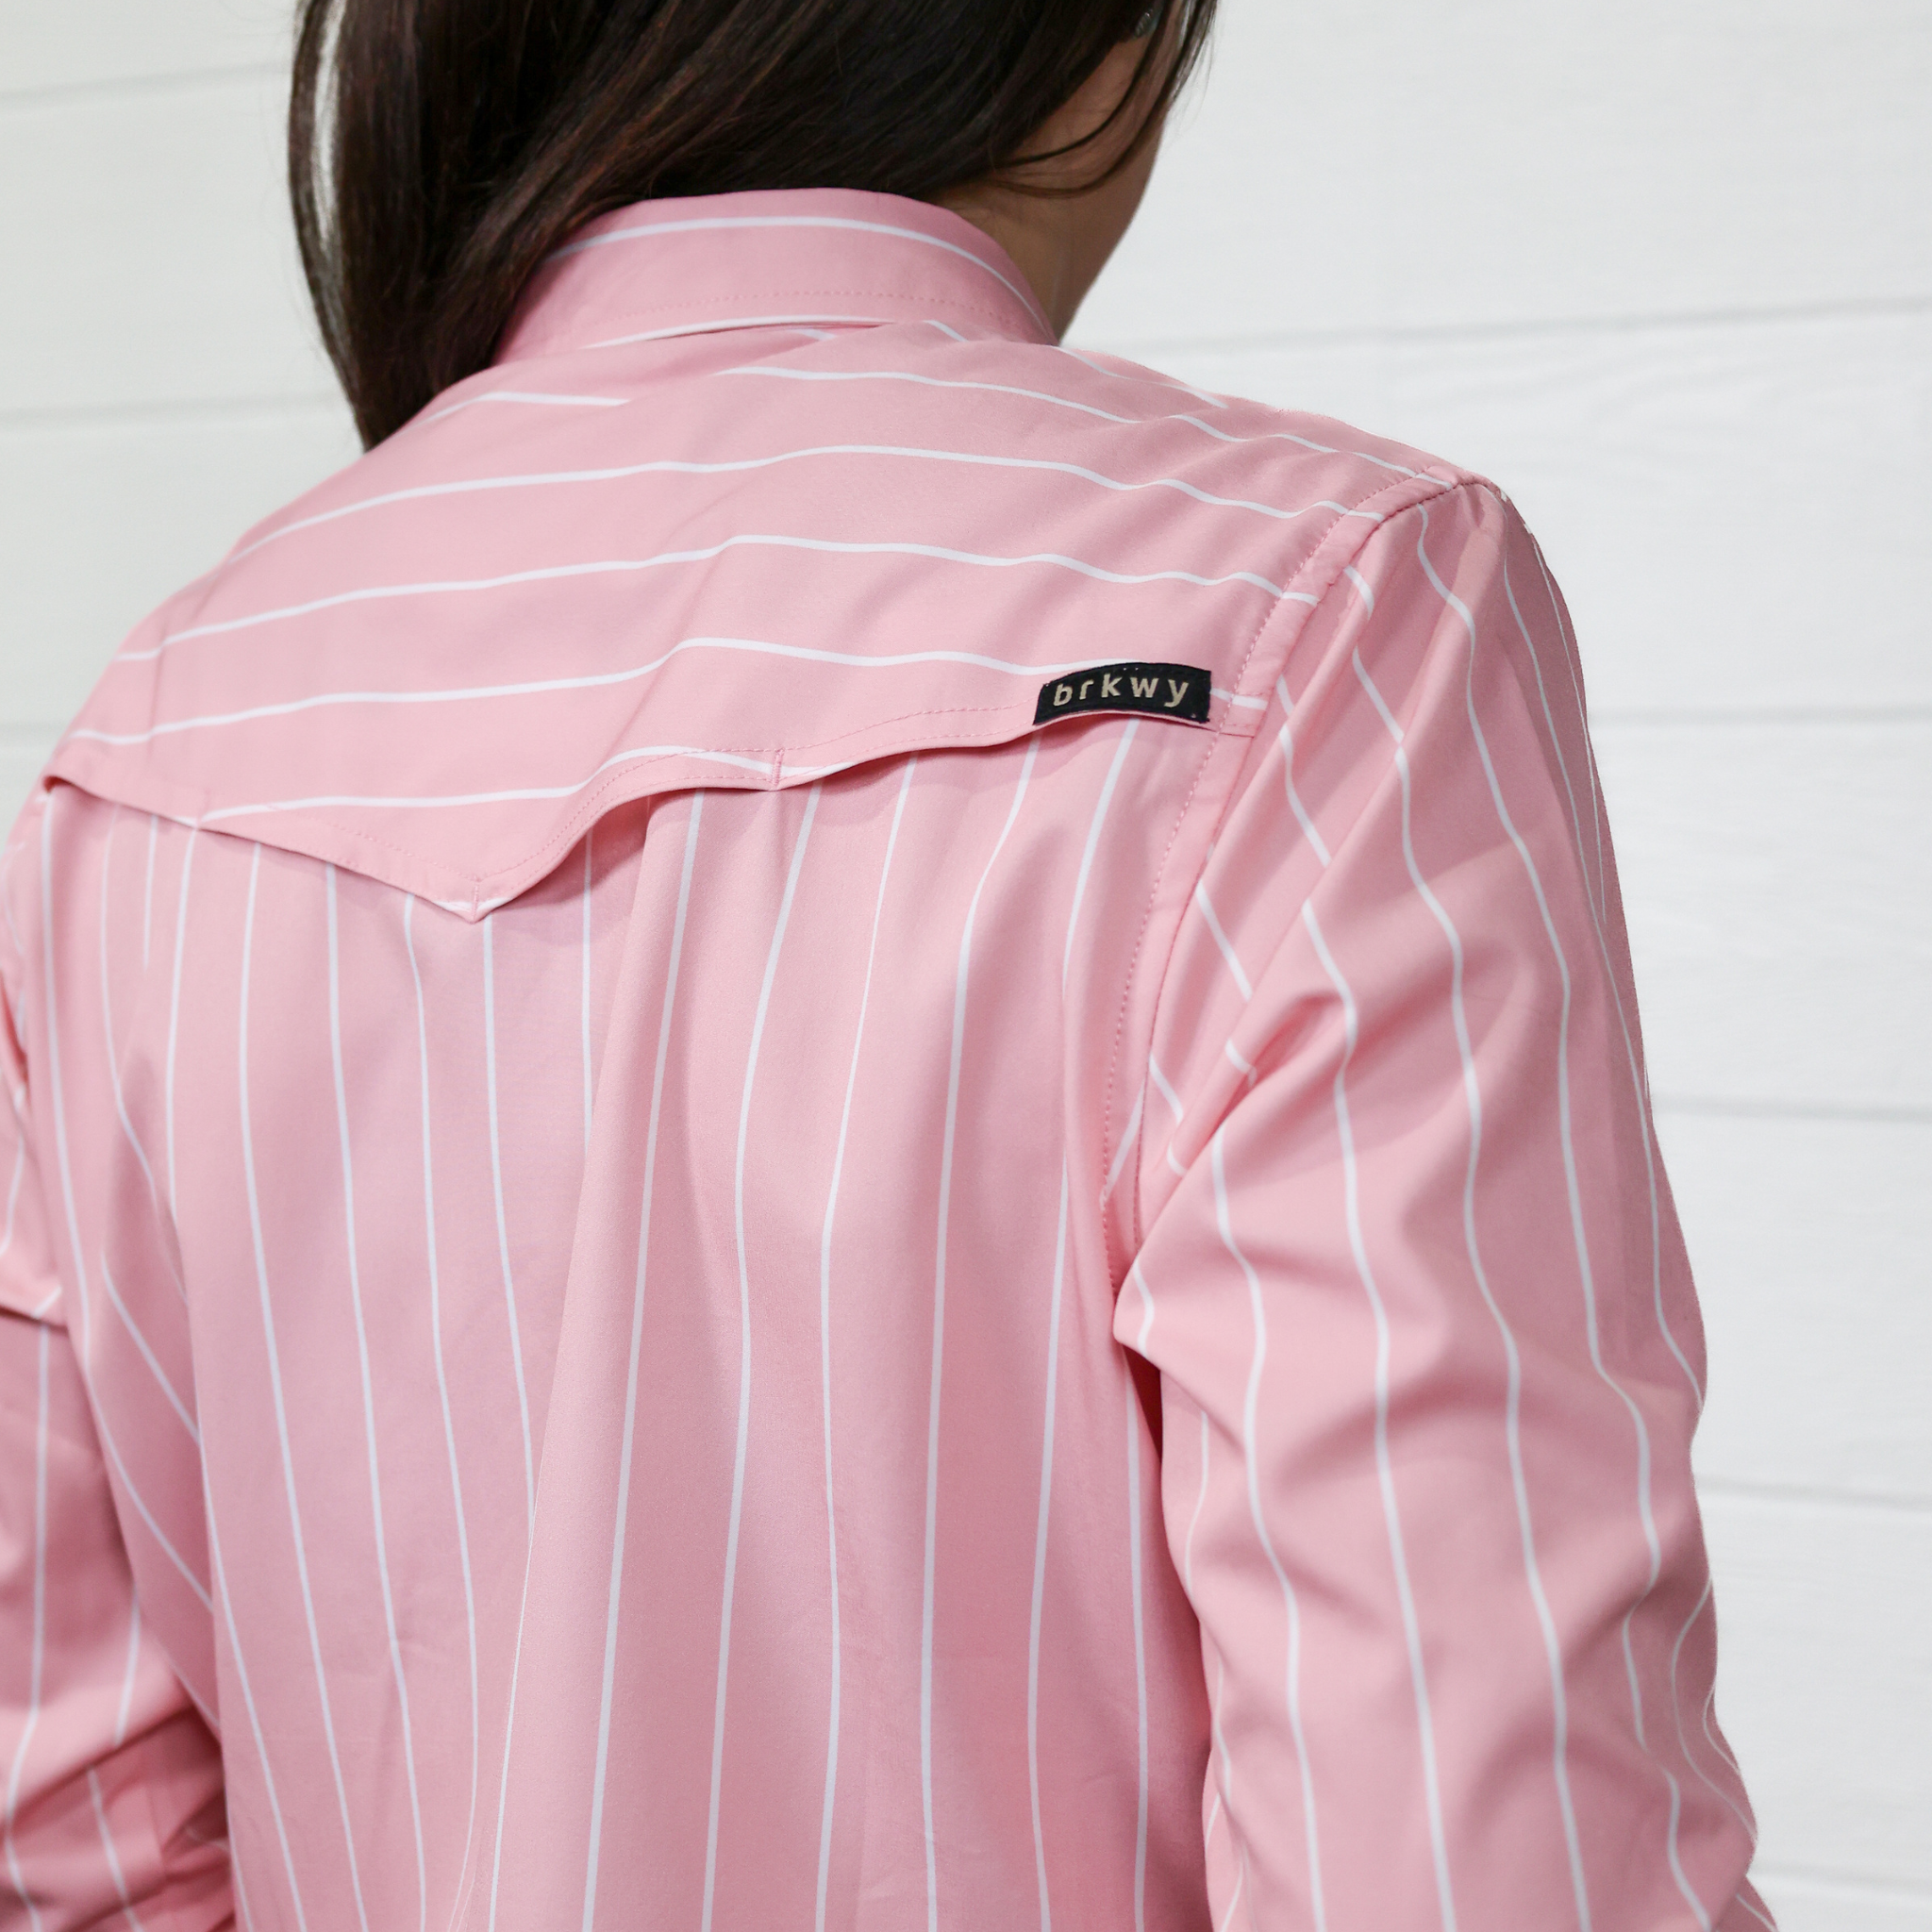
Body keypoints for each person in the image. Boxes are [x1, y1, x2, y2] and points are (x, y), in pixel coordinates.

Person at [0, 0, 1774, 1924]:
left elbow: (70, 1841)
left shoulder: (150, 744)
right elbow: (1477, 1861)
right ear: (1092, 47)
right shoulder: (1332, 609)